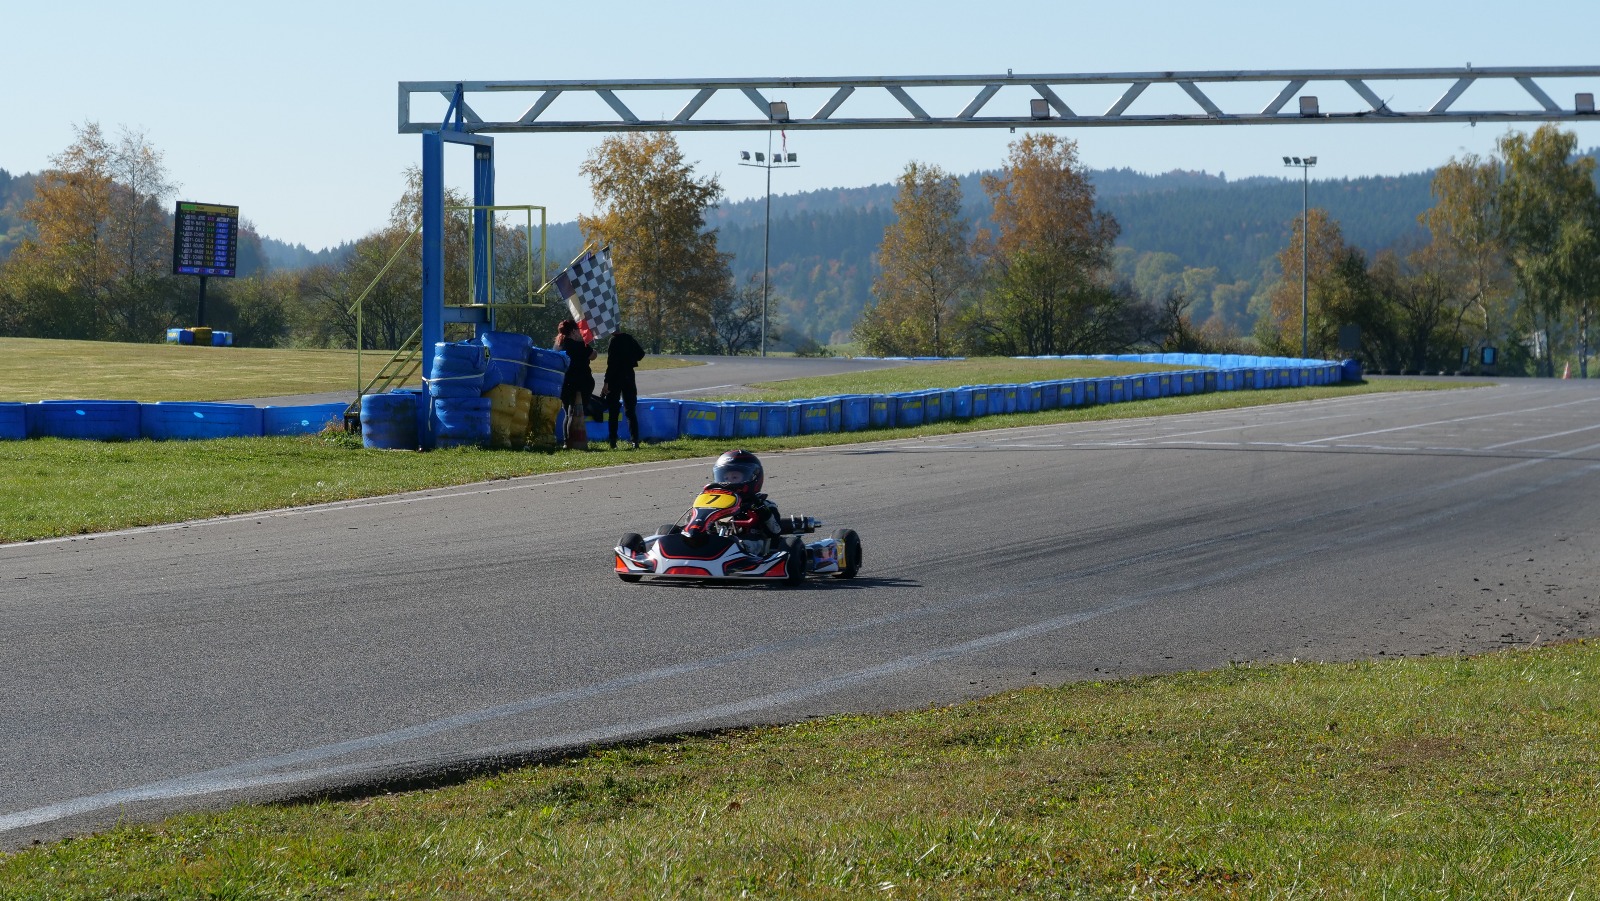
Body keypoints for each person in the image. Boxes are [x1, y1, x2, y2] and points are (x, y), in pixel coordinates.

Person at [708, 449, 783, 553]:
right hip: (722, 542)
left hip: (753, 545)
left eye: (734, 477)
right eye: (725, 478)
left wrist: (762, 510)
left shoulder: (765, 505)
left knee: (740, 544)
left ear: (752, 477)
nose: (728, 482)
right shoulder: (717, 504)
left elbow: (776, 531)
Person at [555, 319, 596, 449]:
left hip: (564, 382)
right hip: (582, 381)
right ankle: (577, 440)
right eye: (578, 330)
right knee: (577, 412)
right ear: (573, 331)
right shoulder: (579, 345)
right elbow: (593, 355)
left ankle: (567, 441)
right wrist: (587, 342)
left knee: (567, 412)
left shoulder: (560, 346)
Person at [602, 330, 646, 449]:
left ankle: (613, 441)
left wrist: (606, 382)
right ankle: (635, 440)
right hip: (629, 375)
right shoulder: (629, 338)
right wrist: (630, 359)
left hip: (615, 377)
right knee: (630, 410)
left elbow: (611, 363)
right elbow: (641, 354)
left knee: (613, 410)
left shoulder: (613, 341)